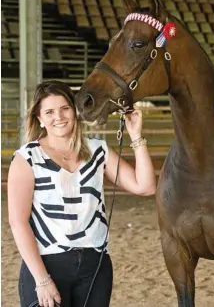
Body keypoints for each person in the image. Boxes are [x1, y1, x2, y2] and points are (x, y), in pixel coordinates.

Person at [8, 81, 157, 307]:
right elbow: (18, 222)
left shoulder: (98, 150)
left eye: (64, 108)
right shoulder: (27, 158)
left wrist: (136, 136)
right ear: (39, 118)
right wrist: (42, 279)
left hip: (95, 265)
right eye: (49, 112)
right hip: (47, 263)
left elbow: (145, 186)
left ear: (74, 110)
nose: (58, 116)